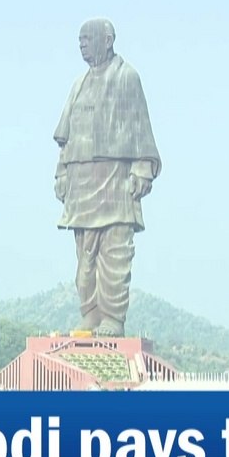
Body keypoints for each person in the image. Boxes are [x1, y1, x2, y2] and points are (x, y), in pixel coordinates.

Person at [53, 18, 162, 337]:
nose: (82, 43)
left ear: (108, 40)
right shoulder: (79, 84)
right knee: (85, 258)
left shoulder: (127, 77)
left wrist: (142, 168)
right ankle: (90, 312)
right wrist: (61, 173)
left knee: (115, 252)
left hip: (115, 180)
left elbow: (141, 127)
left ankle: (113, 316)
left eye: (88, 38)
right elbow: (65, 139)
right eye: (79, 39)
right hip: (81, 182)